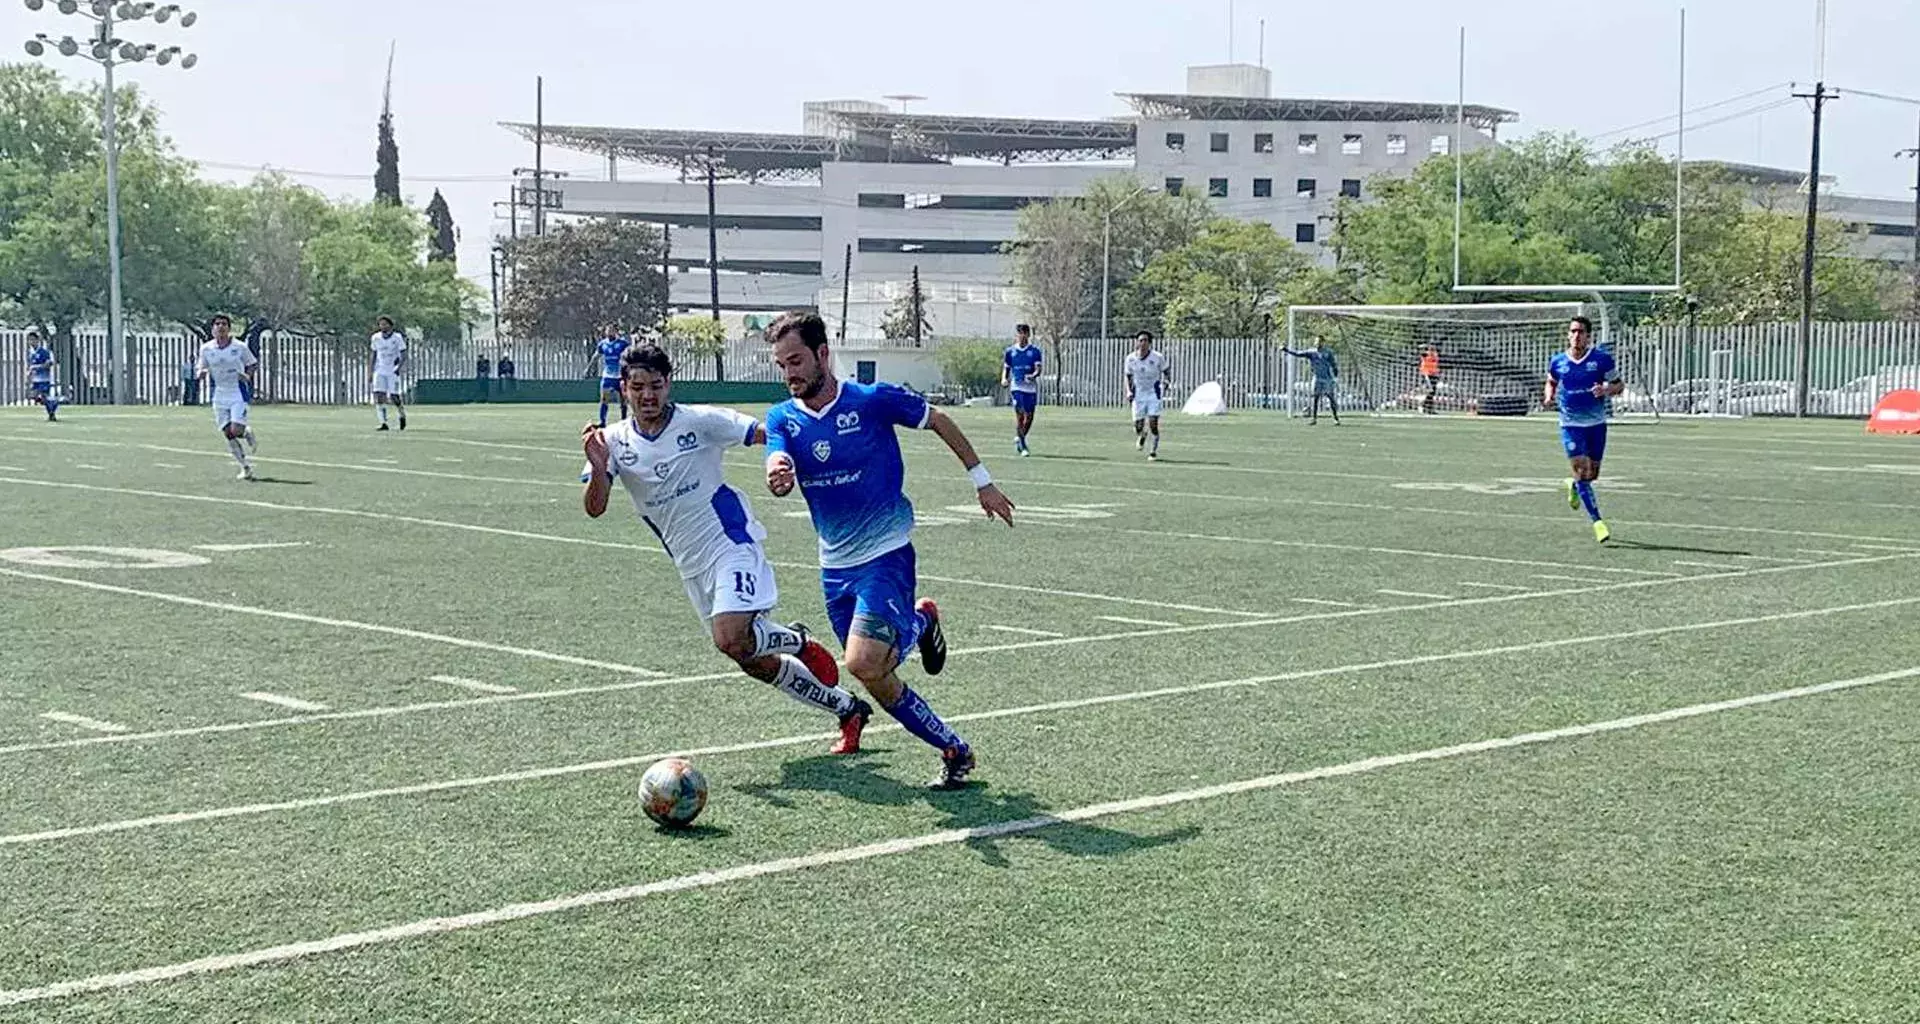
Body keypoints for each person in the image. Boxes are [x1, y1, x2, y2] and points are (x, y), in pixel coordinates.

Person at [762, 311, 1016, 789]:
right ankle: (954, 747)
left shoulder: (872, 400)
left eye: (795, 360)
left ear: (822, 354)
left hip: (886, 555)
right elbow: (776, 459)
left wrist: (982, 481)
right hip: (834, 568)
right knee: (874, 675)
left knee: (860, 661)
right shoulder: (783, 418)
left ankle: (917, 624)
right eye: (781, 365)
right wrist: (777, 472)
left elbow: (938, 419)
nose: (789, 373)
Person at [582, 343, 873, 753]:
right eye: (638, 387)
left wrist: (787, 461)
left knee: (729, 636)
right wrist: (597, 468)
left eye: (656, 385)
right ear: (623, 389)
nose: (648, 396)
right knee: (747, 656)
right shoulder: (611, 442)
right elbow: (595, 508)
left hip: (730, 542)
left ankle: (797, 642)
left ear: (669, 384)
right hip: (689, 564)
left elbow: (768, 432)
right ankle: (847, 709)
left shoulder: (699, 421)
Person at [1544, 316, 1623, 544]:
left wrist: (1605, 389)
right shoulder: (1558, 361)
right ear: (1568, 335)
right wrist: (1549, 396)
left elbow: (1619, 385)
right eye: (1573, 331)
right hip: (1570, 424)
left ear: (1588, 336)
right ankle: (1597, 522)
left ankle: (1574, 486)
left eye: (1581, 332)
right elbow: (1551, 380)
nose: (1576, 335)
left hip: (1596, 424)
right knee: (1581, 471)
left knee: (1592, 475)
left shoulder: (1600, 360)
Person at [196, 314, 259, 481]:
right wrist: (201, 373)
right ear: (212, 329)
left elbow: (252, 363)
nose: (220, 327)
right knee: (228, 433)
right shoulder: (206, 348)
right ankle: (245, 467)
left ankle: (245, 431)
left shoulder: (239, 346)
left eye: (224, 324)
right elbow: (201, 367)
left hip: (237, 392)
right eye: (217, 324)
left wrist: (248, 375)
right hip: (219, 393)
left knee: (236, 429)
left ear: (229, 328)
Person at [1124, 330, 1172, 460]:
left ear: (1150, 343)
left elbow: (1166, 371)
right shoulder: (1131, 358)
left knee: (1153, 423)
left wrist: (1167, 381)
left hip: (1153, 392)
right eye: (1140, 340)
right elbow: (1128, 376)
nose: (1143, 343)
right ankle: (1142, 434)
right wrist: (1129, 391)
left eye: (1145, 340)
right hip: (1138, 394)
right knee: (1138, 426)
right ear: (1137, 342)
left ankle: (1153, 451)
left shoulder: (1157, 357)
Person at [1000, 323, 1043, 457]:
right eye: (1020, 333)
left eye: (1025, 333)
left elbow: (1038, 369)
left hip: (1030, 388)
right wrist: (1004, 379)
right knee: (1020, 415)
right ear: (1017, 335)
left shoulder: (1035, 351)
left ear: (1028, 335)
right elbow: (1006, 368)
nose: (1022, 336)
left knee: (1029, 417)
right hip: (1017, 387)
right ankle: (1023, 445)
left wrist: (1033, 375)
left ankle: (1020, 436)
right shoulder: (1010, 351)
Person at [1282, 342, 1341, 425]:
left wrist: (1335, 376)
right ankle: (1314, 419)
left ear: (1323, 343)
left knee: (1330, 397)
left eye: (1319, 342)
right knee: (1315, 398)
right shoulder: (1311, 352)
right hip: (1317, 378)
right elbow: (1298, 353)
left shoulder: (1328, 352)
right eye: (1316, 343)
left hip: (1327, 379)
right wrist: (1286, 350)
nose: (1318, 344)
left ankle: (1335, 418)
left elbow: (1334, 364)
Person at [369, 315, 409, 432]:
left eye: (385, 324)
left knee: (394, 396)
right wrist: (370, 371)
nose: (383, 326)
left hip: (392, 370)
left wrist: (399, 367)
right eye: (381, 324)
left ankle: (402, 415)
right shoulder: (376, 337)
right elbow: (373, 354)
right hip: (380, 370)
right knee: (379, 395)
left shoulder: (397, 337)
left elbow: (403, 353)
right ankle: (383, 422)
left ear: (390, 325)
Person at [593, 326, 630, 427]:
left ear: (615, 332)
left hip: (620, 376)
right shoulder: (603, 344)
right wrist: (589, 367)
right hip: (607, 376)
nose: (610, 332)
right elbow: (597, 354)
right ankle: (602, 422)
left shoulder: (622, 343)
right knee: (604, 399)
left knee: (623, 400)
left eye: (612, 331)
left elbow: (629, 353)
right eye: (608, 331)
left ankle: (624, 421)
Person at [24, 331, 58, 422]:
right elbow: (31, 366)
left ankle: (52, 412)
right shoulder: (31, 353)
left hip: (44, 379)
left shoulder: (44, 352)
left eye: (33, 340)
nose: (31, 342)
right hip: (35, 380)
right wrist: (29, 376)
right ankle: (53, 405)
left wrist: (36, 367)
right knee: (33, 396)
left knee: (43, 396)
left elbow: (48, 364)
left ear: (37, 340)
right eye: (29, 340)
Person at [1419, 343, 1441, 415]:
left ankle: (1429, 408)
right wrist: (1423, 347)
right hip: (1427, 374)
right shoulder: (1426, 354)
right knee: (1430, 390)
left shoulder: (1435, 354)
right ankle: (1423, 405)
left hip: (1434, 374)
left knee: (1433, 392)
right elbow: (1421, 352)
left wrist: (1437, 372)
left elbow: (1435, 364)